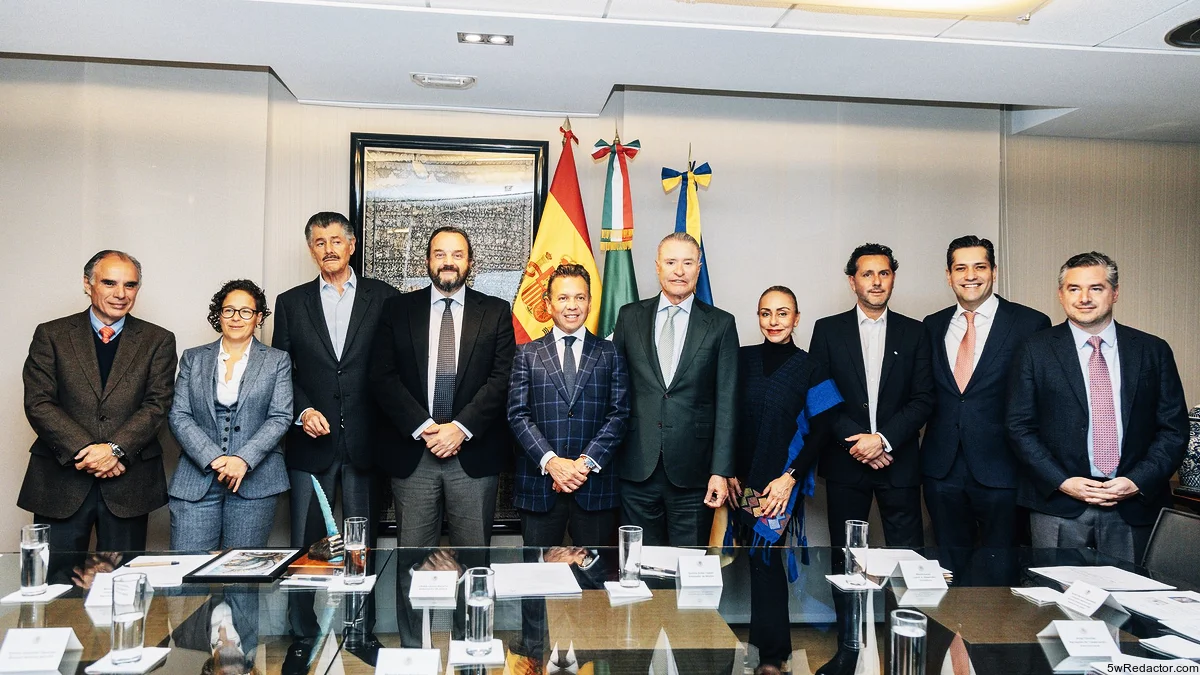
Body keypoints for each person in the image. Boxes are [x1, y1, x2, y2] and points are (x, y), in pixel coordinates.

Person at [1007, 252, 1187, 563]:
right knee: (1055, 603)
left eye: (1096, 288)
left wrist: (1138, 480)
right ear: (1061, 295)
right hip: (1058, 504)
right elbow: (1019, 426)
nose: (1084, 298)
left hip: (1134, 505)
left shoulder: (1152, 351)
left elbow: (1173, 429)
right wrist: (1062, 481)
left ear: (1115, 292)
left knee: (1134, 603)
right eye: (1074, 288)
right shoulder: (1034, 350)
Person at [808, 243, 933, 675]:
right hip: (847, 464)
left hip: (898, 463)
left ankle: (908, 648)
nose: (876, 281)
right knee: (848, 560)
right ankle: (849, 650)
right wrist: (857, 442)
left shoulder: (916, 332)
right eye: (867, 274)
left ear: (893, 277)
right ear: (852, 280)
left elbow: (923, 400)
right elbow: (820, 395)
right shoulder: (828, 329)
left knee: (906, 558)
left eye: (884, 273)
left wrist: (882, 440)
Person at [19, 250, 177, 554]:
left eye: (130, 285)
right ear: (87, 284)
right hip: (60, 481)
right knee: (56, 586)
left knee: (122, 589)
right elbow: (39, 402)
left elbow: (157, 404)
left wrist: (115, 450)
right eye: (109, 283)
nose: (120, 294)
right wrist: (88, 452)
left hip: (128, 485)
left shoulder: (158, 340)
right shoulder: (51, 335)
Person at [370, 226, 516, 547]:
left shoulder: (495, 311)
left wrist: (460, 428)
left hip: (473, 456)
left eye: (457, 255)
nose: (448, 261)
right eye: (440, 254)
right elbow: (382, 376)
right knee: (413, 562)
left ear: (470, 263)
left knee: (474, 561)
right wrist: (425, 427)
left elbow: (502, 378)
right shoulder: (397, 309)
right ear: (427, 261)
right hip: (414, 455)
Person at [729, 286, 841, 675]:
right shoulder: (741, 359)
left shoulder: (811, 367)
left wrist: (789, 479)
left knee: (765, 558)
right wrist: (727, 471)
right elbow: (726, 415)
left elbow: (824, 429)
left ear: (796, 318)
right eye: (765, 313)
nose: (773, 321)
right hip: (739, 481)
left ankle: (773, 655)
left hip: (780, 483)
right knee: (756, 561)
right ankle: (765, 648)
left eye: (782, 313)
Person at [272, 212, 399, 552]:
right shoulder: (290, 303)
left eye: (336, 241)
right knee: (306, 552)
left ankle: (363, 608)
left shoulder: (386, 297)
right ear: (311, 249)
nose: (328, 249)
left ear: (352, 245)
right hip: (311, 445)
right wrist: (303, 410)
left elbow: (396, 367)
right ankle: (301, 610)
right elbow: (280, 371)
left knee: (364, 552)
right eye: (320, 242)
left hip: (367, 443)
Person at [922, 236, 1050, 550]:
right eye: (960, 268)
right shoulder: (931, 325)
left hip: (1004, 469)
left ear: (994, 271)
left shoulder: (1030, 324)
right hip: (942, 470)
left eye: (980, 266)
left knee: (1002, 570)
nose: (970, 276)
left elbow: (1043, 401)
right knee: (948, 569)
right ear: (948, 275)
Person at [612, 231, 738, 546]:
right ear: (657, 267)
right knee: (639, 572)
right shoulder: (629, 317)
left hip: (694, 474)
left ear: (699, 267)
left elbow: (727, 402)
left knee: (689, 574)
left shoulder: (721, 324)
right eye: (671, 262)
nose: (679, 271)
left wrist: (720, 471)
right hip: (636, 468)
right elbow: (616, 392)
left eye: (687, 263)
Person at [508, 263, 630, 547]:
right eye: (563, 298)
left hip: (594, 488)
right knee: (537, 580)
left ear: (589, 302)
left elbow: (619, 414)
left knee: (594, 580)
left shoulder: (610, 352)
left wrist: (583, 465)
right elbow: (517, 415)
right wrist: (552, 462)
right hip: (540, 489)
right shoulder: (527, 353)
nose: (572, 305)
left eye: (579, 297)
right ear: (548, 304)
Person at [168, 280, 292, 550]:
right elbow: (179, 415)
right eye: (229, 311)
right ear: (219, 315)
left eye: (246, 311)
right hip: (197, 479)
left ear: (258, 317)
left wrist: (242, 459)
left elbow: (280, 416)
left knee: (242, 577)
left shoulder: (277, 360)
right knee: (188, 579)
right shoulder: (193, 358)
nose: (237, 318)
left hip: (255, 482)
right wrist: (214, 458)